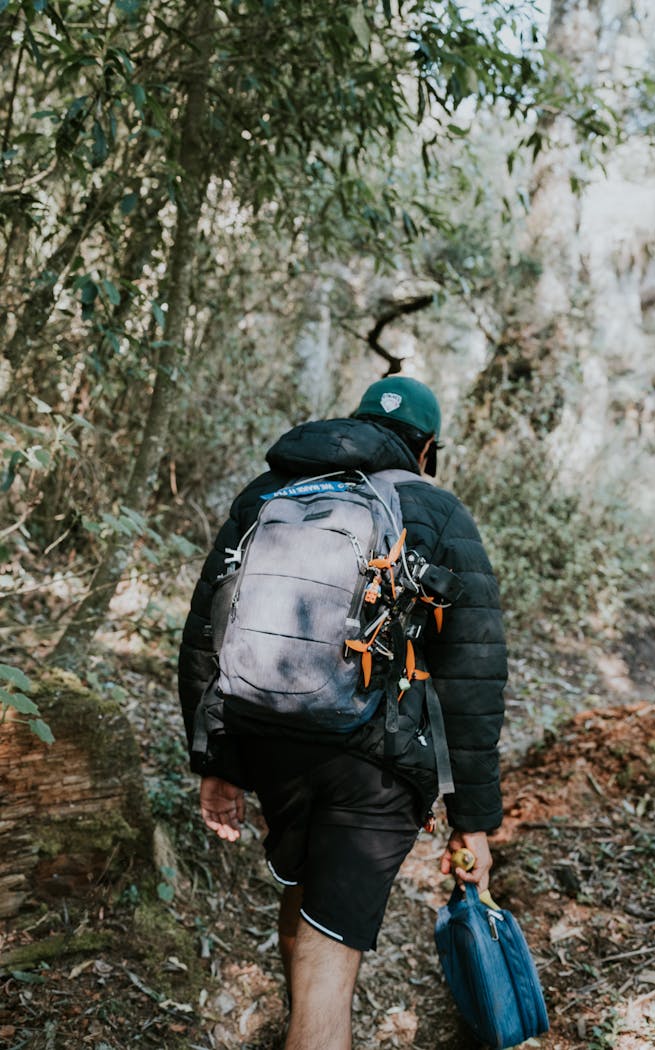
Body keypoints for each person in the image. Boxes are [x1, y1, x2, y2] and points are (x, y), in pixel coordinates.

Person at [178, 376, 508, 1050]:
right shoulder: (438, 512)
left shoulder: (270, 493)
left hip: (269, 736)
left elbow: (205, 631)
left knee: (301, 889)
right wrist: (473, 822)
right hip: (375, 763)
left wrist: (217, 763)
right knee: (333, 962)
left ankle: (300, 1024)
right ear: (426, 450)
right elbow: (472, 674)